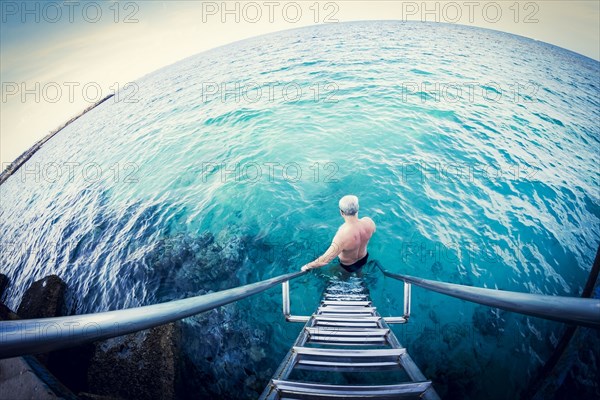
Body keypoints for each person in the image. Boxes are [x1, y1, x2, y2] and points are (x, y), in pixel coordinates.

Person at [300, 195, 376, 273]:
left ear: (341, 212)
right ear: (358, 208)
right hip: (364, 258)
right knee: (359, 272)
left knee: (332, 275)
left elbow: (324, 260)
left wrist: (307, 266)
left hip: (348, 265)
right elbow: (371, 233)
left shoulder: (342, 236)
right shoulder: (369, 222)